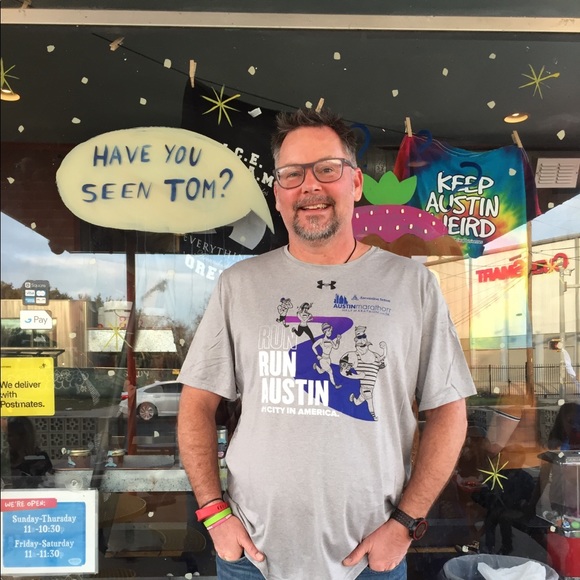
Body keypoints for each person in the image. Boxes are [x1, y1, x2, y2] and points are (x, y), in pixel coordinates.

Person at [177, 108, 476, 579]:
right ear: (278, 193)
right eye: (292, 174)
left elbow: (449, 411)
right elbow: (196, 404)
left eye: (327, 169)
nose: (309, 186)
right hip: (251, 556)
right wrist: (214, 515)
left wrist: (405, 523)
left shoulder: (412, 284)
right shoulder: (239, 285)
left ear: (355, 183)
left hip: (370, 559)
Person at [5, 417, 53, 488]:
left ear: (22, 437)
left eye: (10, 436)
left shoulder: (40, 459)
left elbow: (47, 484)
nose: (7, 440)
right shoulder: (7, 458)